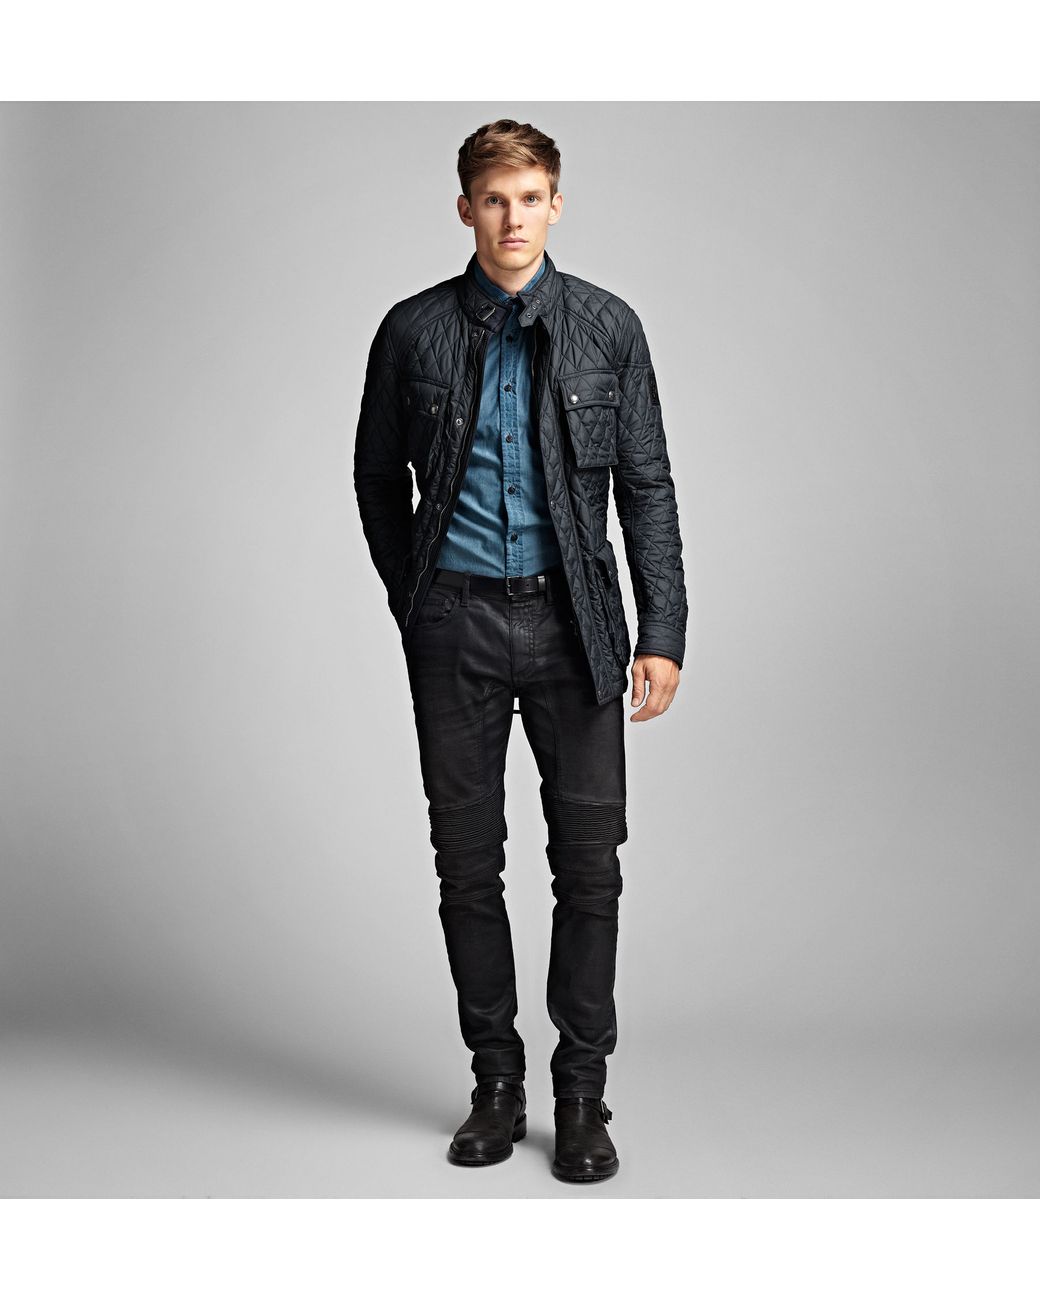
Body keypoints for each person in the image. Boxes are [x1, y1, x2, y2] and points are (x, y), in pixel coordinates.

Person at [353, 118, 688, 1184]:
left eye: (530, 196)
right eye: (494, 199)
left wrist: (662, 631)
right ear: (465, 208)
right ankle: (495, 1084)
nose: (512, 217)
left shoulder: (607, 327)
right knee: (466, 864)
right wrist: (416, 597)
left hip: (573, 624)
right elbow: (376, 479)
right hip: (452, 623)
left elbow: (646, 487)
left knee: (590, 867)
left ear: (556, 204)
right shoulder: (412, 331)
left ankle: (581, 1095)